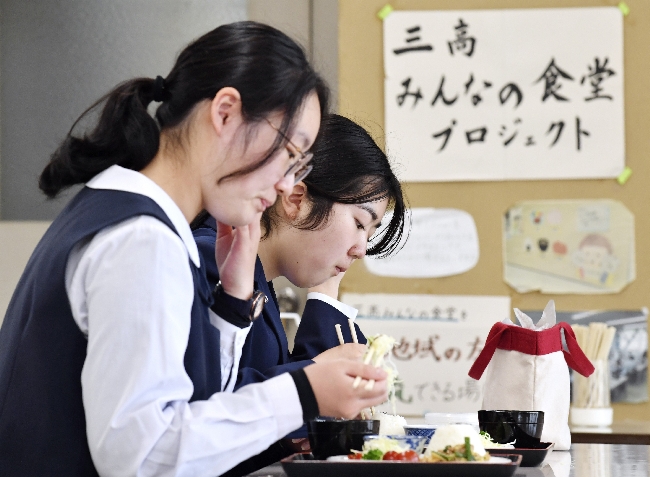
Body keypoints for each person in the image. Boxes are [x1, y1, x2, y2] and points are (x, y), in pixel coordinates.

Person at [0, 22, 388, 476]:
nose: (287, 183)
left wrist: (230, 306)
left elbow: (193, 412)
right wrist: (304, 392)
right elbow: (142, 458)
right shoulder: (142, 238)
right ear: (225, 113)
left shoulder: (131, 210)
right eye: (289, 153)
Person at [191, 114, 407, 473]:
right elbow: (204, 408)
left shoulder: (262, 279)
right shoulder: (210, 258)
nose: (360, 250)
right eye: (358, 223)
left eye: (369, 233)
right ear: (296, 198)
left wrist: (326, 289)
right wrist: (310, 380)